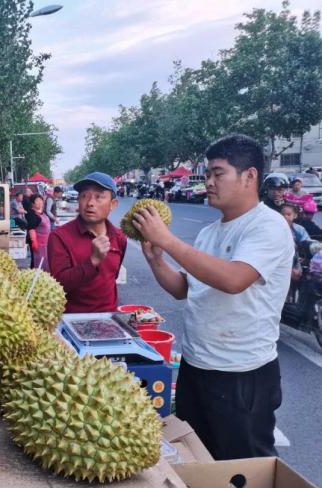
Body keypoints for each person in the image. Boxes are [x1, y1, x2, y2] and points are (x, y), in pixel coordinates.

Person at [132, 134, 293, 461]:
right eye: (206, 175)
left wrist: (168, 239)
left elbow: (234, 279)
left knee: (245, 469)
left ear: (250, 176)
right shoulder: (209, 233)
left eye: (218, 173)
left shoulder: (268, 227)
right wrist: (155, 259)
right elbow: (182, 289)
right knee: (199, 461)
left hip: (242, 375)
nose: (208, 182)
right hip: (197, 367)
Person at [48, 172, 127, 313]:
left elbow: (111, 278)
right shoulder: (59, 237)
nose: (90, 203)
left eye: (99, 197)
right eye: (84, 195)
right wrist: (93, 261)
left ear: (113, 204)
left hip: (110, 319)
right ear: (78, 200)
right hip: (72, 321)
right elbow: (58, 284)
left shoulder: (119, 237)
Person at [26, 194, 51, 271]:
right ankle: (33, 277)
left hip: (45, 242)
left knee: (45, 261)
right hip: (37, 243)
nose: (40, 202)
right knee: (37, 261)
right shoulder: (32, 214)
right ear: (33, 203)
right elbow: (31, 228)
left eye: (41, 200)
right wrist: (34, 241)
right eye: (37, 201)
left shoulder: (41, 212)